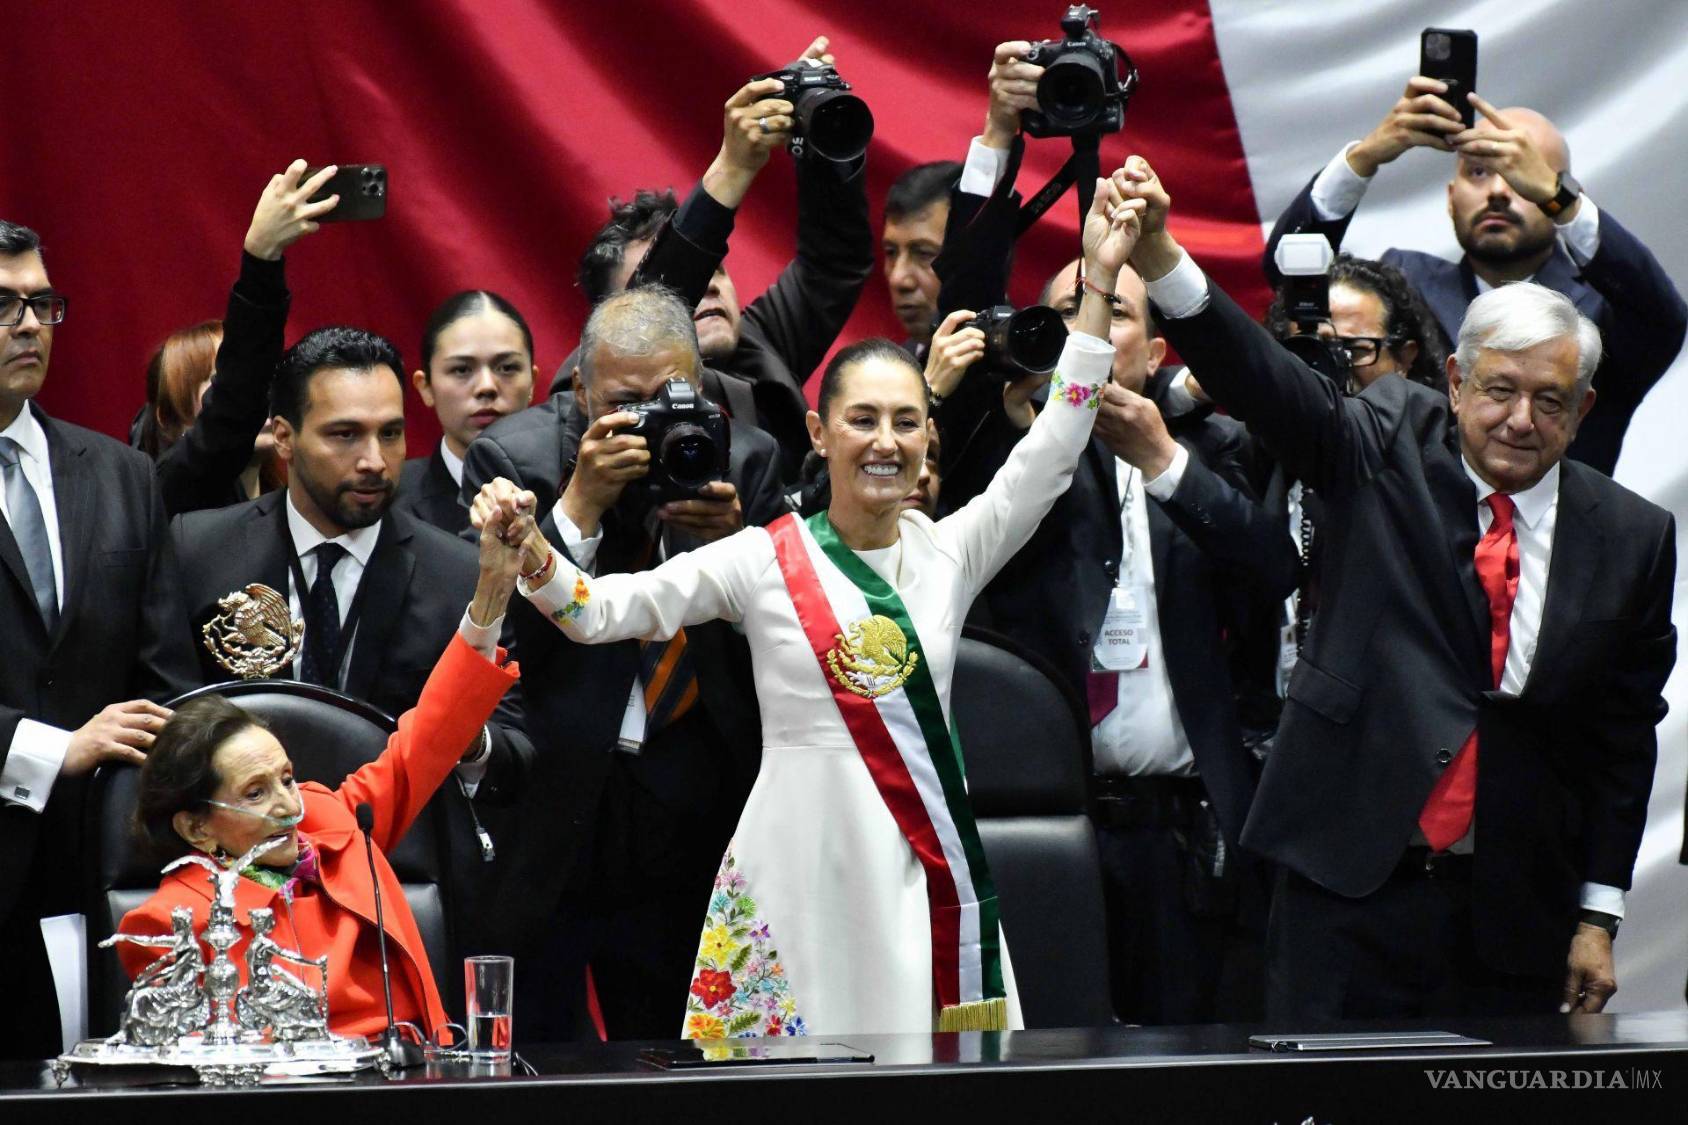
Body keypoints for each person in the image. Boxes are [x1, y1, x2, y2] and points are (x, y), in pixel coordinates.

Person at [480, 174, 1140, 1036]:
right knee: (776, 1086)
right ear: (820, 435)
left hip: (919, 871)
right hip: (788, 873)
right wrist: (527, 541)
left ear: (929, 437)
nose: (885, 442)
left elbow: (1056, 442)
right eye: (862, 419)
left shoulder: (953, 551)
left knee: (928, 1081)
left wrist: (1098, 283)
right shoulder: (760, 558)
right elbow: (596, 612)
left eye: (906, 422)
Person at [1123, 156, 1676, 1021]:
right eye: (1499, 390)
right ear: (1453, 382)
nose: (1520, 420)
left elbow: (1622, 741)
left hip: (1515, 912)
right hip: (1343, 890)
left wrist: (1598, 914)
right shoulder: (1385, 439)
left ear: (1584, 409)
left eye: (1549, 400)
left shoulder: (1634, 537)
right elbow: (1262, 379)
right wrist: (1161, 256)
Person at [938, 260, 1298, 1024]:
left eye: (1112, 312)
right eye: (1069, 311)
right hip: (1044, 824)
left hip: (1181, 832)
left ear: (1157, 354)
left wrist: (1163, 460)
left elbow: (1274, 568)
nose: (1089, 329)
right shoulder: (1012, 453)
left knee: (1186, 1060)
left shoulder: (1211, 447)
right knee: (1052, 1058)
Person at [463, 286, 785, 1041]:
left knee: (685, 1042)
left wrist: (738, 552)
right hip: (557, 786)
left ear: (700, 385)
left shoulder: (744, 455)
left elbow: (784, 642)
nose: (648, 421)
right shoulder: (514, 459)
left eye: (668, 396)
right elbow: (495, 639)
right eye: (621, 402)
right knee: (543, 1045)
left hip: (695, 785)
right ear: (579, 390)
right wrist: (578, 507)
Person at [162, 326, 534, 947]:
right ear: (284, 437)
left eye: (390, 433)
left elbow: (516, 757)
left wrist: (464, 739)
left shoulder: (458, 574)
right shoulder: (197, 550)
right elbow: (167, 718)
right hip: (231, 895)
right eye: (344, 434)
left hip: (402, 889)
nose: (374, 461)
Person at [116, 502, 525, 1041]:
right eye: (256, 793)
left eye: (287, 778)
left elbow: (431, 736)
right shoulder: (168, 922)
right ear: (196, 826)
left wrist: (493, 589)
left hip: (414, 1072)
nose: (290, 806)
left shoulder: (332, 822)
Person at [1265, 78, 1685, 474]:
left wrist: (1560, 200)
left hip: (1559, 524)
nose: (1499, 190)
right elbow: (1290, 275)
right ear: (1451, 199)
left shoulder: (1600, 313)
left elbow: (1662, 317)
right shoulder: (1408, 284)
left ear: (1562, 193)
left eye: (1521, 171)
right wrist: (1364, 158)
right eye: (1479, 172)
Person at [0, 219, 195, 1058]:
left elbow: (166, 674)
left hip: (99, 875)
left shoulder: (122, 474)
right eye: (4, 306)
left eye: (42, 303)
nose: (30, 325)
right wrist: (51, 748)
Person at [559, 36, 875, 476]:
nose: (706, 285)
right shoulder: (585, 384)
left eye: (717, 269)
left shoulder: (759, 346)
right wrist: (733, 167)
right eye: (683, 280)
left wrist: (818, 132)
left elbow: (833, 262)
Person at [150, 160, 339, 515]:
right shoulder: (166, 490)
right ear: (168, 419)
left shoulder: (302, 507)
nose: (261, 397)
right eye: (218, 381)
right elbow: (236, 403)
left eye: (269, 382)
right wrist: (261, 257)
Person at [396, 291, 538, 536]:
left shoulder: (571, 489)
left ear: (532, 383)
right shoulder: (390, 502)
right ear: (425, 387)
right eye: (461, 370)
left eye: (507, 367)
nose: (486, 386)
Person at [135, 321, 285, 502]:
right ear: (169, 421)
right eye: (224, 382)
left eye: (261, 377)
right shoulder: (164, 500)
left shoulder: (295, 501)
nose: (256, 393)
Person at [882, 161, 961, 355]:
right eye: (891, 252)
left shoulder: (1025, 370)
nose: (898, 279)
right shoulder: (894, 368)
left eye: (924, 254)